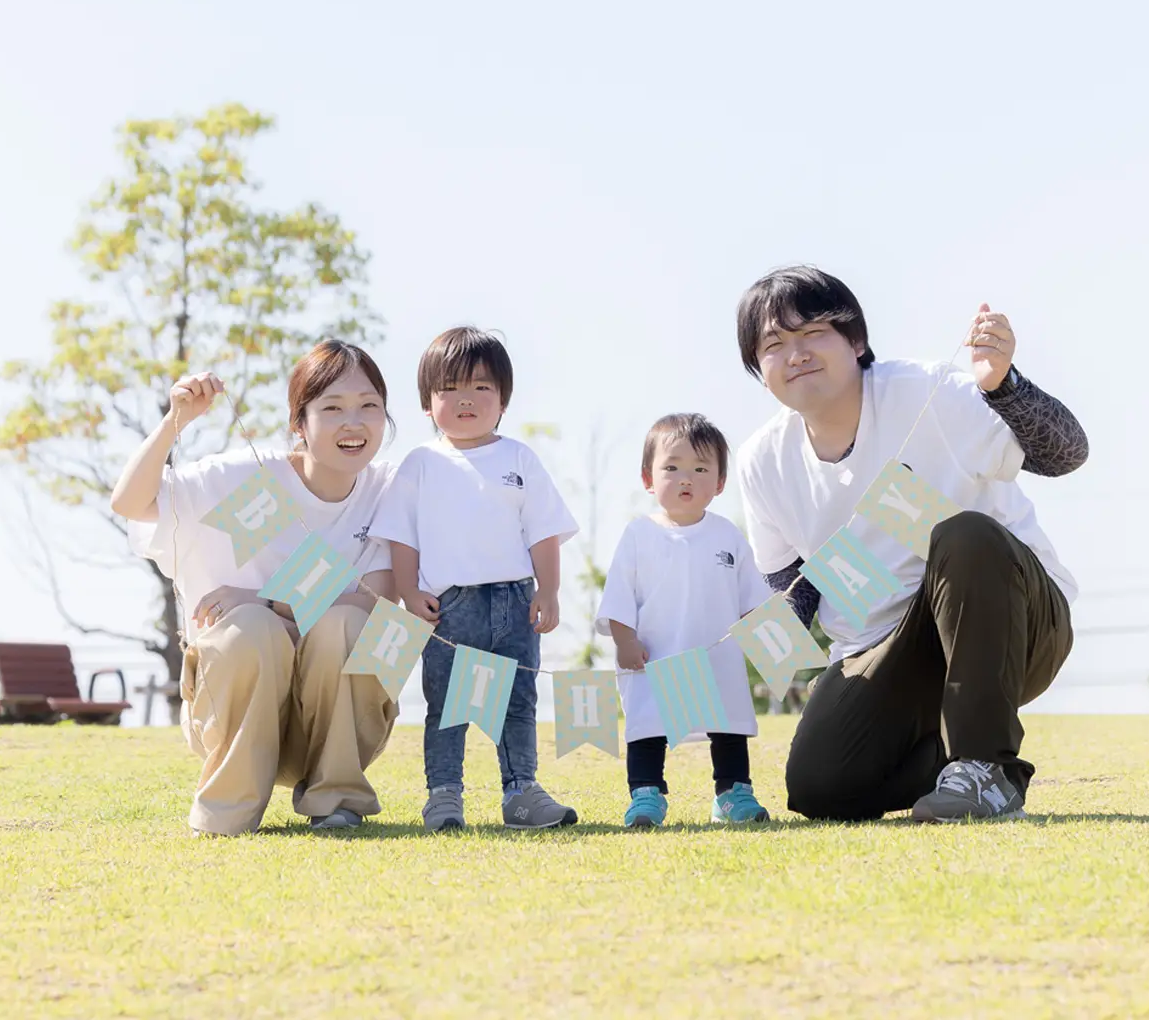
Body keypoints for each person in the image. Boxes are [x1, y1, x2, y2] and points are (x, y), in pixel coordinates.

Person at [730, 267, 1090, 823]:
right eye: (774, 344)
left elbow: (1066, 454)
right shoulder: (762, 461)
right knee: (821, 789)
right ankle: (951, 761)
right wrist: (713, 661)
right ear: (759, 369)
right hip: (883, 648)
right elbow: (795, 591)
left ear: (855, 340)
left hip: (1014, 620)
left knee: (963, 533)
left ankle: (986, 771)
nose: (795, 354)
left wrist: (1004, 385)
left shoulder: (927, 391)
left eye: (813, 334)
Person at [110, 341, 400, 836]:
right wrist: (175, 422)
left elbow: (378, 602)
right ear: (298, 422)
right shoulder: (242, 475)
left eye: (369, 405)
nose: (354, 422)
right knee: (251, 628)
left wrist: (267, 600)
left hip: (338, 726)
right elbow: (130, 502)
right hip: (236, 713)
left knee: (348, 622)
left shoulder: (391, 489)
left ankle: (339, 800)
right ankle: (229, 811)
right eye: (332, 408)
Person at [370, 326, 581, 832]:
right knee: (447, 706)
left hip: (516, 603)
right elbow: (402, 537)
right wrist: (407, 592)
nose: (467, 400)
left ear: (503, 399)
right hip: (448, 608)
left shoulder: (519, 458)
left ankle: (522, 793)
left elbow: (544, 532)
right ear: (427, 402)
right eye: (450, 389)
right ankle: (444, 796)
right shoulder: (420, 463)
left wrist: (548, 591)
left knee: (518, 702)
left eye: (482, 388)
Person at [598, 413, 775, 827]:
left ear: (719, 482)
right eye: (672, 468)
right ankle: (646, 795)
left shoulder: (728, 534)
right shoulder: (639, 534)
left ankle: (733, 793)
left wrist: (768, 637)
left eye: (700, 469)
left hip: (718, 657)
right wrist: (624, 641)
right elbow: (619, 597)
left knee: (727, 725)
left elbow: (753, 598)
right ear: (648, 478)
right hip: (654, 657)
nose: (686, 479)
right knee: (647, 727)